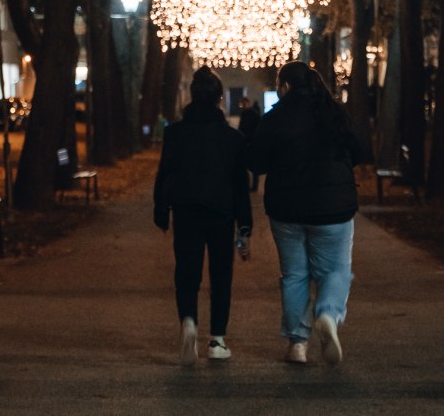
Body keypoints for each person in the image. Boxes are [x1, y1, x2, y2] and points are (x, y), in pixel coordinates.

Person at [246, 60, 362, 366]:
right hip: (334, 208)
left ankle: (298, 343)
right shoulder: (334, 113)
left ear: (284, 87)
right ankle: (328, 313)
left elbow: (256, 162)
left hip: (287, 209)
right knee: (336, 270)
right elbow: (361, 150)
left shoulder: (275, 118)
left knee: (294, 274)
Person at [153, 65, 253, 365]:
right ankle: (218, 340)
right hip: (221, 211)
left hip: (186, 209)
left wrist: (161, 209)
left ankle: (189, 322)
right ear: (219, 99)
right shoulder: (232, 138)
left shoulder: (175, 133)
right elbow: (240, 186)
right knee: (221, 275)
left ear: (191, 97)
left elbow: (165, 174)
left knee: (187, 271)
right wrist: (244, 226)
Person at [237, 96, 262, 191]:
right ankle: (251, 186)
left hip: (250, 141)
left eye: (243, 104)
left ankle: (252, 186)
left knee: (249, 165)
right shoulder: (249, 114)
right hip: (249, 141)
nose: (242, 106)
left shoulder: (252, 114)